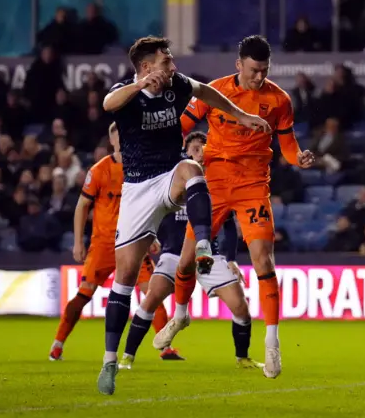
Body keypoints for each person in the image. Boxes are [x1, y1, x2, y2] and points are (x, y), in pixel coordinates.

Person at [97, 36, 270, 395]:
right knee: (125, 279)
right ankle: (110, 361)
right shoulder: (125, 91)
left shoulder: (176, 84)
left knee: (192, 168)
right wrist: (140, 85)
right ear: (146, 67)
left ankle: (203, 245)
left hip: (170, 176)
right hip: (137, 190)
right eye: (166, 61)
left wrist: (240, 114)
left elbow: (206, 93)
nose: (173, 67)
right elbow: (107, 103)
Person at [153, 35, 315, 379]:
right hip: (212, 184)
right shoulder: (215, 91)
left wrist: (298, 158)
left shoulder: (279, 100)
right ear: (239, 64)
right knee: (184, 262)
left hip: (253, 185)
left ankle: (272, 344)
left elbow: (287, 145)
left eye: (264, 71)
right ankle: (180, 316)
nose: (259, 77)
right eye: (254, 70)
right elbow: (182, 124)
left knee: (262, 260)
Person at [118, 131, 263, 370]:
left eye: (203, 147)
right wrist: (150, 236)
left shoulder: (217, 185)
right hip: (174, 254)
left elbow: (228, 223)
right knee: (151, 299)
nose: (199, 152)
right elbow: (153, 211)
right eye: (194, 148)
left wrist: (231, 259)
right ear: (185, 152)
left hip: (209, 256)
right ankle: (128, 357)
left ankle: (242, 357)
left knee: (241, 307)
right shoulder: (172, 180)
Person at [49, 123, 180, 361]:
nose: (124, 135)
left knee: (151, 292)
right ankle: (58, 344)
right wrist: (78, 242)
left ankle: (166, 348)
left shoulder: (142, 167)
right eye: (118, 132)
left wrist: (153, 235)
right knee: (84, 294)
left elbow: (152, 205)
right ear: (112, 139)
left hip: (135, 242)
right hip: (104, 245)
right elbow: (82, 206)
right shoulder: (99, 170)